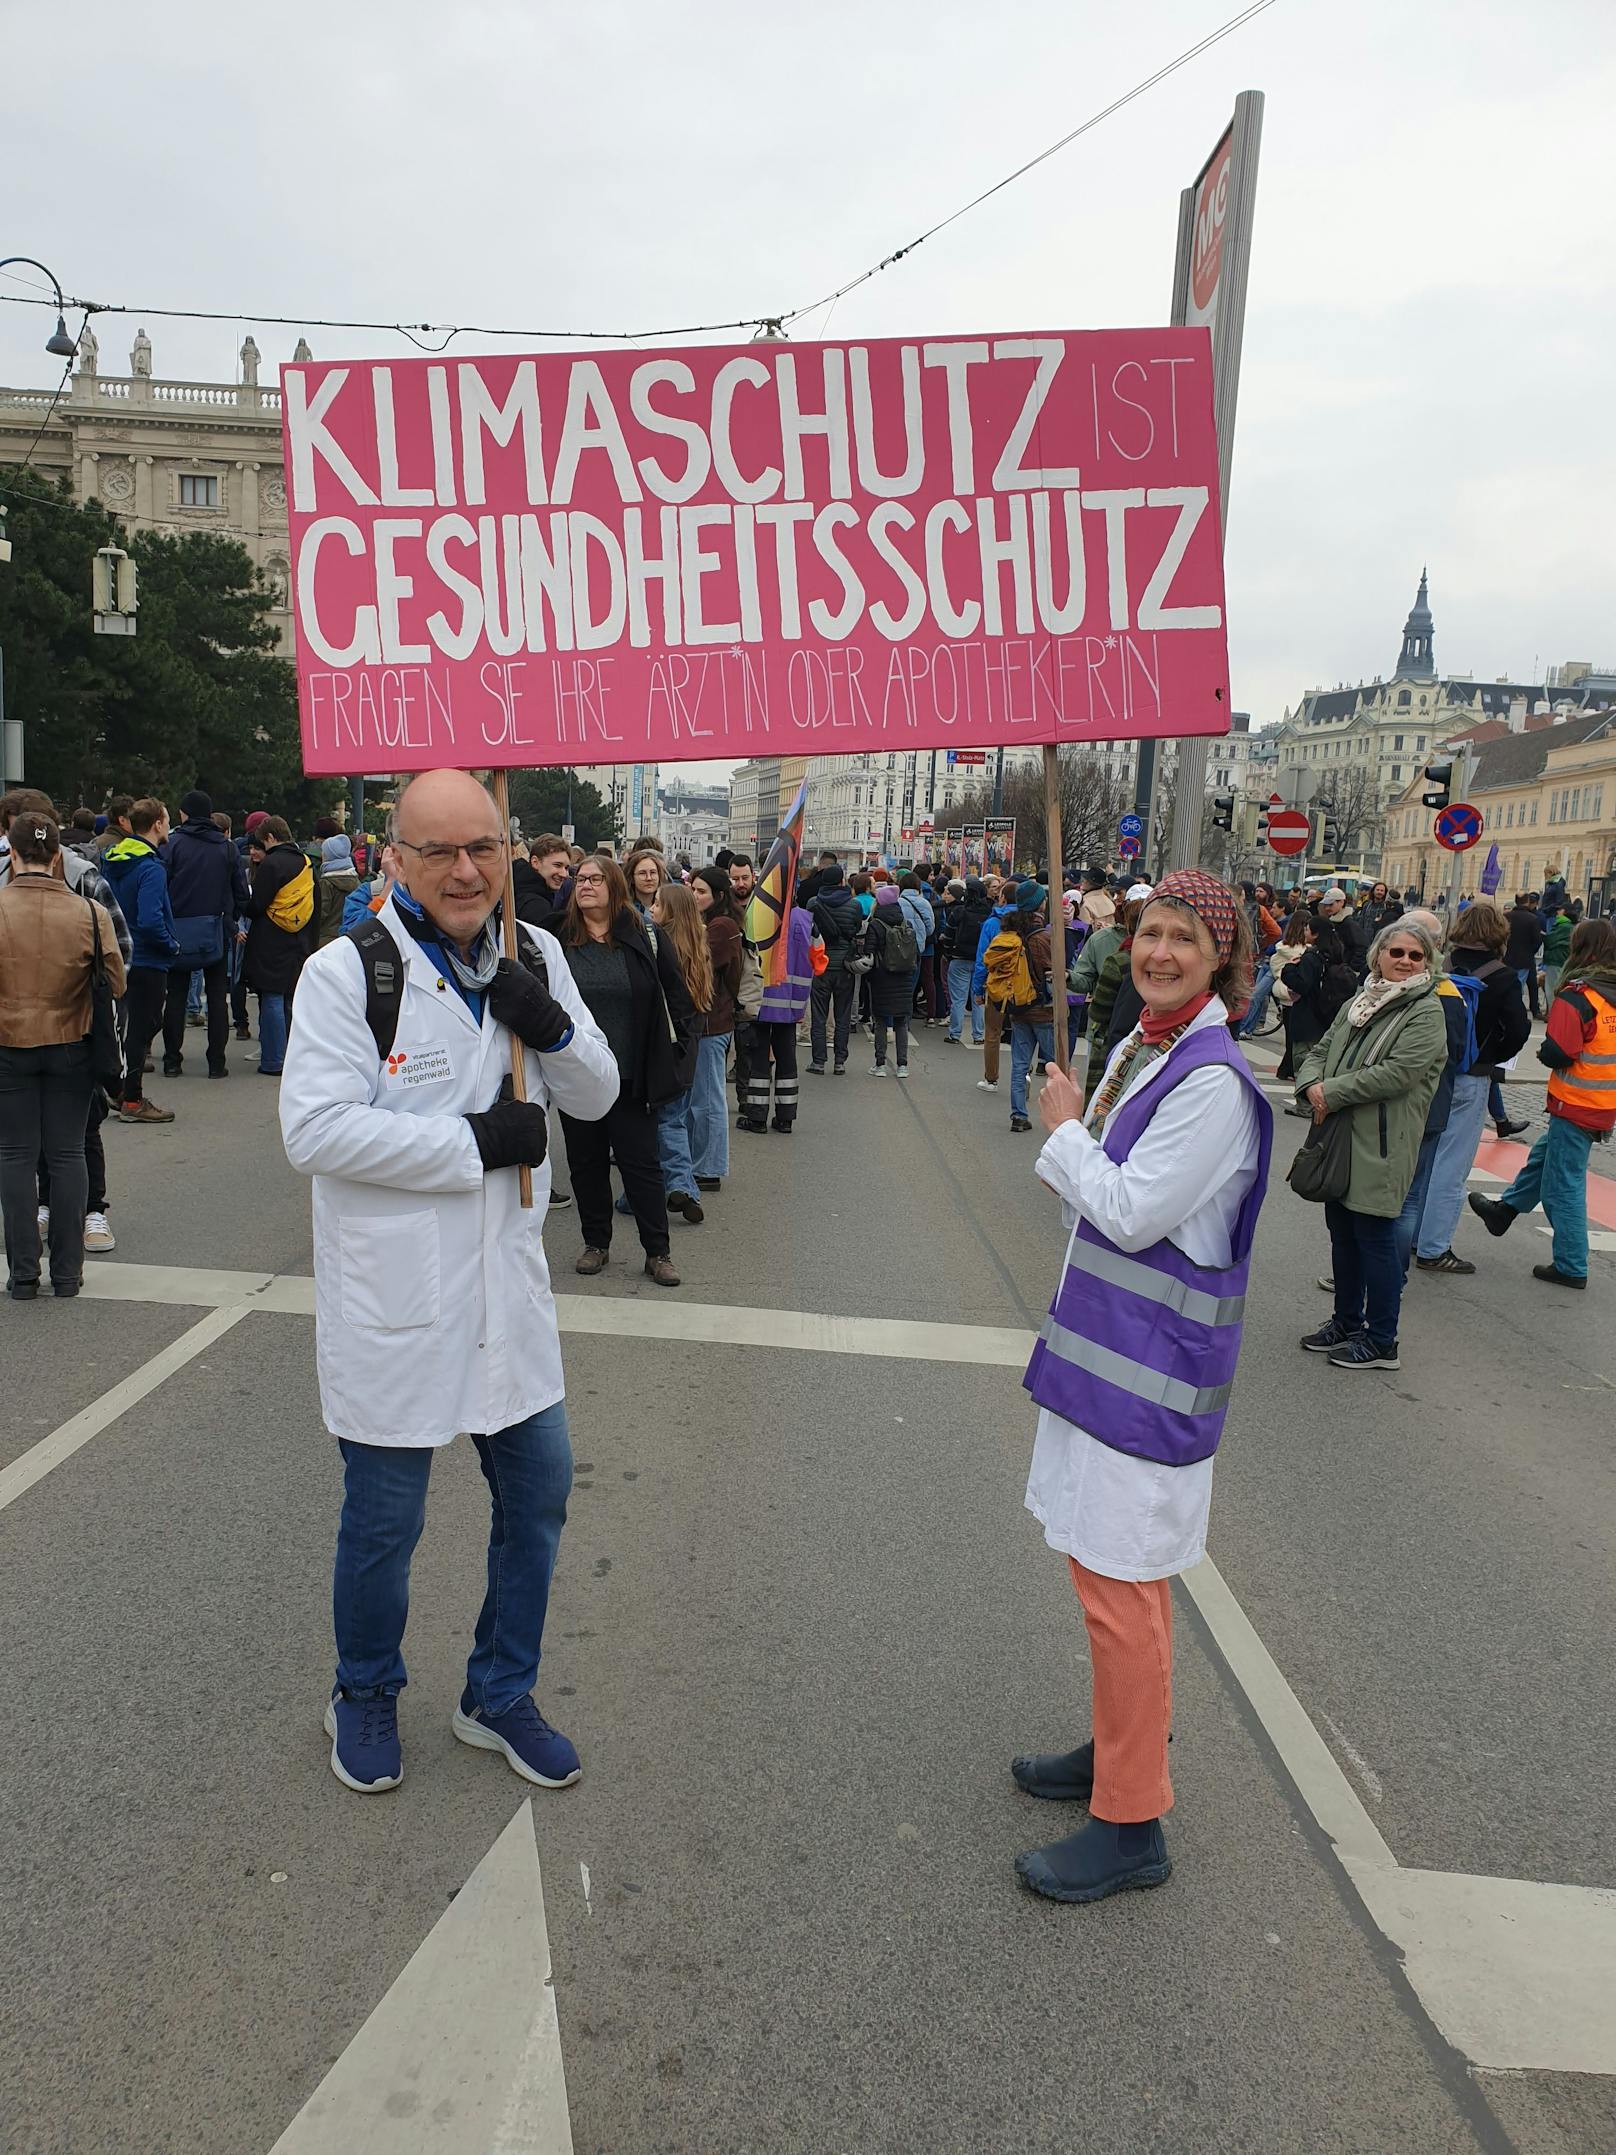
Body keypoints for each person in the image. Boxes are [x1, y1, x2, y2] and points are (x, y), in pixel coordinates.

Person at [280, 769, 618, 1794]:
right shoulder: (349, 972)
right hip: (399, 1301)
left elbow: (597, 1096)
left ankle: (497, 1691)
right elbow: (315, 1129)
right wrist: (471, 1141)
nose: (466, 870)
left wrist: (549, 1023)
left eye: (484, 846)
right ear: (394, 861)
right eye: (439, 851)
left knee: (539, 1494)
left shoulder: (538, 952)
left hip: (504, 1303)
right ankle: (365, 1689)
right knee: (386, 1524)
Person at [1015, 870, 1271, 1903]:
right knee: (1110, 1571)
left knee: (1121, 1584)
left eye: (1182, 939)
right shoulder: (1143, 1042)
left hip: (1150, 1369)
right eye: (1147, 932)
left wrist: (1066, 1128)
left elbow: (1123, 1209)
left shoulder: (1209, 1078)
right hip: (1110, 1352)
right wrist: (1074, 1134)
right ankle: (1117, 1748)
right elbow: (1090, 1198)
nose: (1158, 951)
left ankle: (1131, 1823)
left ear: (1223, 961)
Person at [1295, 923, 1448, 1369]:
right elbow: (1320, 1050)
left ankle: (1383, 1340)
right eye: (1396, 951)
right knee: (1342, 1234)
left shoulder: (1425, 1011)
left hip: (1383, 1142)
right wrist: (1310, 1085)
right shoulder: (1358, 1003)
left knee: (1376, 1240)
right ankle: (1345, 1322)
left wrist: (1331, 1092)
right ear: (1378, 955)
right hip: (1340, 1135)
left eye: (1415, 956)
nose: (1404, 961)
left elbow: (1400, 1072)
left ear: (1428, 963)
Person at [0, 811, 127, 1299]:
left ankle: (24, 1275)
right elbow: (116, 981)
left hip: (9, 1043)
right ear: (57, 856)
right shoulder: (89, 913)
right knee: (69, 1153)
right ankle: (68, 1275)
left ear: (11, 853)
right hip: (72, 1042)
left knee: (15, 1156)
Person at [555, 855, 696, 1286]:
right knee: (586, 1163)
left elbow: (676, 991)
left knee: (641, 1165)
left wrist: (680, 1047)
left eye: (596, 879)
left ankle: (658, 1252)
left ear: (615, 887)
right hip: (579, 1075)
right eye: (580, 879)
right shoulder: (558, 938)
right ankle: (595, 1242)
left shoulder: (643, 934)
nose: (585, 886)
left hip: (632, 1074)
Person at [1470, 917, 1616, 1289]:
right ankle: (1503, 1211)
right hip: (1602, 1101)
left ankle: (1571, 1265)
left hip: (1576, 1100)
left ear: (1577, 949)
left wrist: (1546, 1049)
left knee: (1562, 1186)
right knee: (1543, 1158)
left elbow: (1560, 1052)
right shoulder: (1611, 991)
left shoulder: (1578, 995)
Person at [1410, 900, 1531, 1277]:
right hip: (1470, 1076)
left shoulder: (1439, 966)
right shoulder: (1502, 976)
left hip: (1431, 1072)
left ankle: (1411, 1236)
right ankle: (1434, 1247)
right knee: (1453, 1163)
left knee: (1422, 1159)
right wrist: (1492, 1056)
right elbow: (1518, 1030)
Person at [159, 789, 250, 1079]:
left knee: (175, 996)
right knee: (216, 998)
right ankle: (216, 1063)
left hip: (178, 931)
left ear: (184, 813)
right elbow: (240, 892)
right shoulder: (226, 847)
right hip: (215, 930)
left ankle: (172, 1061)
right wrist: (229, 919)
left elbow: (161, 887)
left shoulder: (172, 845)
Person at [103, 798, 180, 1125]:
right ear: (158, 825)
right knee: (143, 1026)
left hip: (118, 954)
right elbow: (151, 919)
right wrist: (171, 944)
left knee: (125, 1025)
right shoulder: (150, 867)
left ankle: (117, 1087)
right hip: (148, 957)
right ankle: (131, 1098)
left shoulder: (111, 860)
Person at [646, 881, 712, 1220]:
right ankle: (645, 1192)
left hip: (666, 1047)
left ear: (669, 910)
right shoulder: (698, 945)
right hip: (690, 1046)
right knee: (673, 1118)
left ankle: (683, 1186)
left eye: (657, 904)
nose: (652, 908)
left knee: (664, 1121)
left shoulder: (660, 946)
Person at [242, 816, 315, 1076]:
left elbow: (256, 905)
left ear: (270, 837)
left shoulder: (272, 863)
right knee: (290, 999)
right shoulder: (306, 863)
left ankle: (273, 1059)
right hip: (299, 937)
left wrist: (245, 904)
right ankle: (294, 1056)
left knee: (271, 997)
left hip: (271, 937)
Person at [687, 867, 743, 1189]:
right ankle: (703, 1162)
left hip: (713, 1021)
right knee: (702, 1096)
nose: (695, 896)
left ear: (719, 896)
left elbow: (697, 965)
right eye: (693, 890)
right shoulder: (714, 923)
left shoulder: (721, 926)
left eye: (701, 892)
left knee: (708, 1098)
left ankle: (708, 1168)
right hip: (710, 1020)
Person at [739, 898, 812, 1132]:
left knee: (759, 1059)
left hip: (760, 1002)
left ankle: (757, 1117)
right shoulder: (807, 919)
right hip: (791, 1003)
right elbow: (819, 959)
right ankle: (785, 1118)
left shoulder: (756, 915)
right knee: (787, 1059)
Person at [995, 889, 1055, 1134]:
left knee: (1019, 1064)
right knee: (1056, 1065)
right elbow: (1052, 973)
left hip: (1018, 1007)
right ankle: (1060, 1117)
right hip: (1043, 1009)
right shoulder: (1043, 937)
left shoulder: (1009, 933)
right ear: (1039, 905)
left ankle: (1018, 1116)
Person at [1276, 917, 1356, 1096]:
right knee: (1318, 1058)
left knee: (1303, 1060)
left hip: (1307, 1015)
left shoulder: (1312, 957)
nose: (1304, 932)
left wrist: (1288, 969)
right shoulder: (1335, 953)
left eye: (1307, 929)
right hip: (1326, 1012)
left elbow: (1303, 985)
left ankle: (1305, 1103)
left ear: (1315, 934)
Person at [806, 863, 861, 1074]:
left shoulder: (813, 903)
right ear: (841, 881)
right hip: (844, 967)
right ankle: (840, 1061)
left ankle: (818, 1061)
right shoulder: (853, 905)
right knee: (843, 1015)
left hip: (820, 965)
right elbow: (855, 929)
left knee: (819, 1015)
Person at [863, 882, 919, 1076]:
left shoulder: (876, 925)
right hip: (903, 978)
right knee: (901, 1022)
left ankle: (880, 1065)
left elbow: (869, 953)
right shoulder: (906, 924)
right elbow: (915, 953)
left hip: (881, 978)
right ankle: (902, 1065)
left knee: (880, 1021)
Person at [971, 881, 1019, 1092]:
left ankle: (991, 1078)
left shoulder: (992, 923)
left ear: (1002, 898)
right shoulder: (1030, 922)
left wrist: (978, 989)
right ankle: (1022, 1076)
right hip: (1023, 985)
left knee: (992, 1032)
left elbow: (983, 959)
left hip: (997, 984)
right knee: (1023, 1034)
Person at [942, 876, 993, 1046]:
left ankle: (955, 1033)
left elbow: (948, 936)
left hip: (959, 958)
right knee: (978, 998)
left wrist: (949, 954)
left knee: (958, 999)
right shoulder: (989, 912)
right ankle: (978, 1035)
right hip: (982, 960)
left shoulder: (959, 912)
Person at [1505, 893, 1545, 1024]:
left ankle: (1510, 1008)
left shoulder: (1507, 917)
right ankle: (1532, 1010)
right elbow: (1538, 940)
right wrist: (1530, 951)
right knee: (1530, 985)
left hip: (1508, 957)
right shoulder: (1532, 919)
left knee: (1510, 984)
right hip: (1526, 958)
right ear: (1527, 902)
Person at [315, 833, 361, 947]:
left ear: (328, 856)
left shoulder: (326, 883)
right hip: (349, 938)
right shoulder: (355, 880)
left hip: (325, 940)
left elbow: (320, 913)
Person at [625, 844, 666, 925]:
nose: (649, 878)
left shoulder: (668, 907)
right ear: (632, 878)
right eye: (642, 873)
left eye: (653, 872)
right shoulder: (624, 909)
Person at [1542, 900, 1573, 999]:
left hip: (1556, 960)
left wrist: (1542, 935)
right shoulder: (1568, 925)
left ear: (1565, 911)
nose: (1557, 912)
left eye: (1560, 910)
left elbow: (1550, 940)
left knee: (1551, 991)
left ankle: (1553, 1013)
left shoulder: (1564, 926)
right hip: (1562, 960)